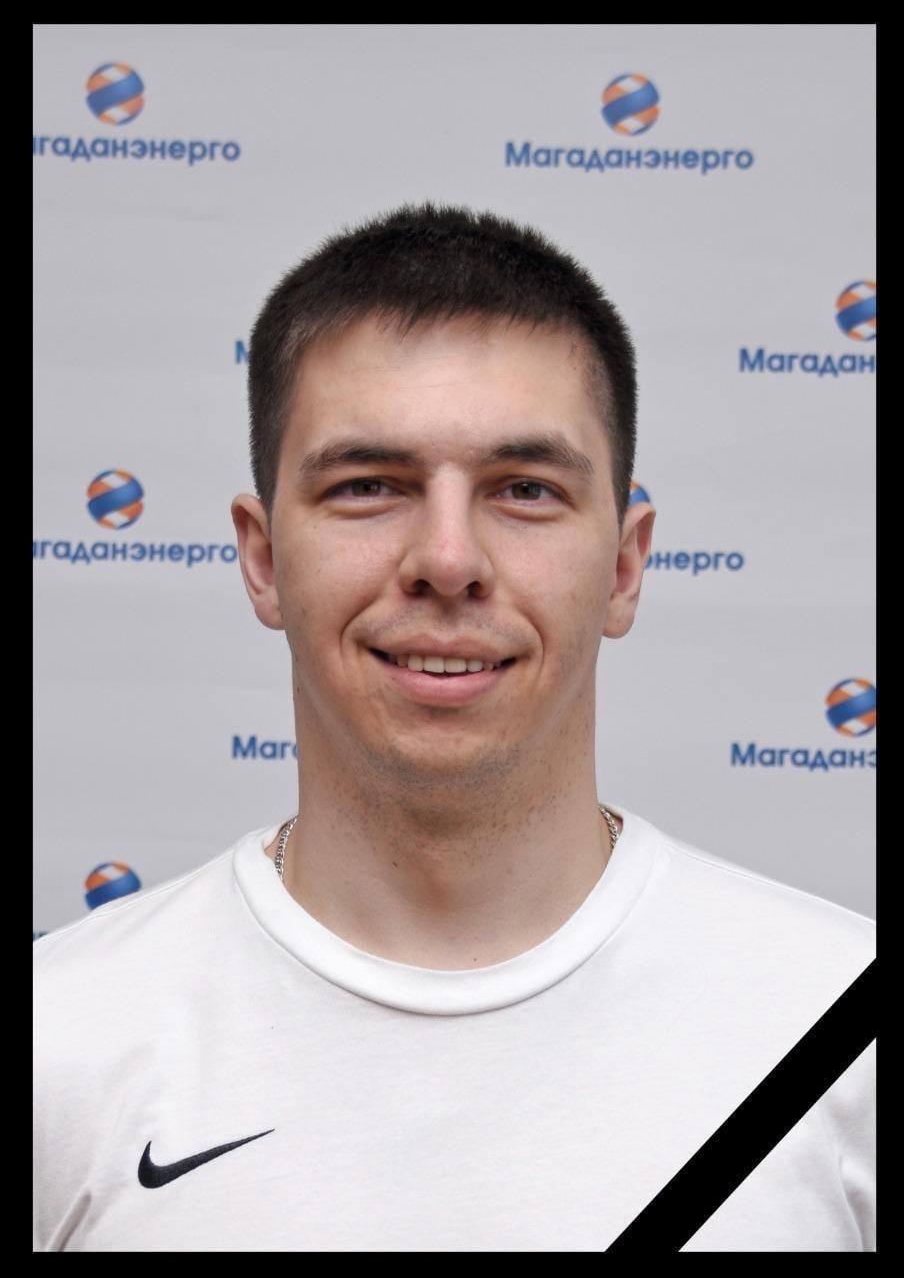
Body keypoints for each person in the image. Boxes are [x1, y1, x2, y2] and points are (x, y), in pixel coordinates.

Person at [34, 202, 875, 1252]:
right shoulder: (60, 1041)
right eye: (367, 486)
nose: (447, 559)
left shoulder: (844, 1030)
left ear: (624, 565)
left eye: (524, 489)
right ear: (263, 558)